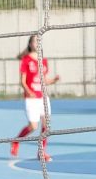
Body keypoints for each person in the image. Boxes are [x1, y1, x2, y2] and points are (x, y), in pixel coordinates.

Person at [11, 34, 60, 162]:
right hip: (31, 98)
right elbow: (22, 81)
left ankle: (41, 152)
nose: (37, 44)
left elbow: (44, 81)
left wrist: (53, 80)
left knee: (46, 126)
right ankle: (16, 141)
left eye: (39, 41)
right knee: (33, 126)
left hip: (43, 98)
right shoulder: (26, 60)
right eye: (34, 41)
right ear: (30, 44)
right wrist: (29, 91)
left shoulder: (44, 61)